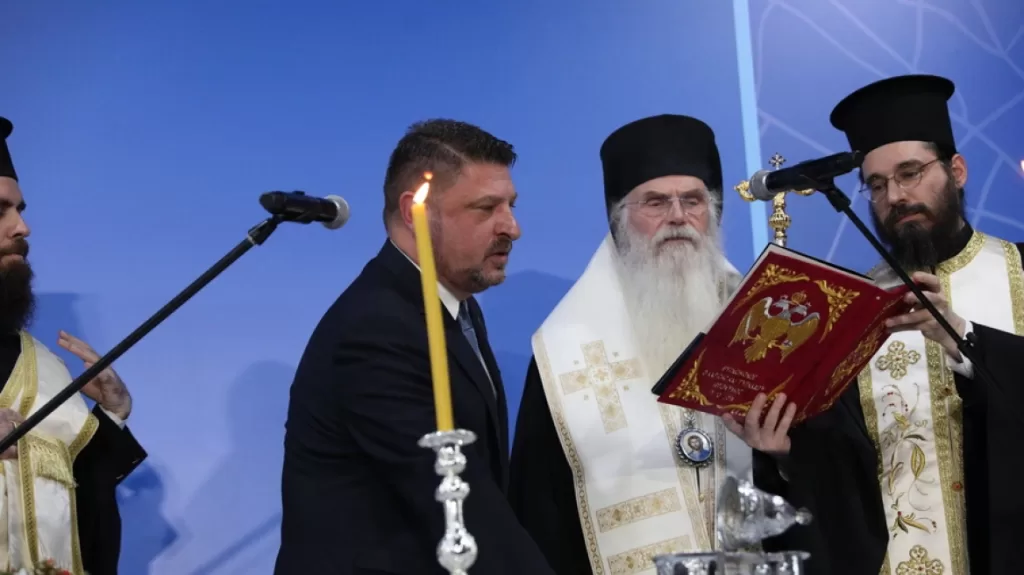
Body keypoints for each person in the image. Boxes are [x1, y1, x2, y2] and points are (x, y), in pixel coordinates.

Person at [740, 74, 1024, 574]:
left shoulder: (1019, 271)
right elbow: (842, 479)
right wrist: (786, 455)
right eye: (876, 184)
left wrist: (964, 340)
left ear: (956, 171)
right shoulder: (851, 311)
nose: (895, 195)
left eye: (910, 173)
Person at [509, 114, 795, 574]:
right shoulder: (563, 351)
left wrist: (784, 458)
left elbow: (815, 492)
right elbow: (542, 513)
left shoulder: (761, 327)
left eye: (693, 200)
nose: (678, 217)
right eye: (656, 202)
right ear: (619, 219)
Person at [275, 119, 556, 574]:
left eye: (511, 205)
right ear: (415, 212)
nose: (512, 227)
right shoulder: (375, 331)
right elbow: (460, 506)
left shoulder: (454, 304)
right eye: (486, 208)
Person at [0, 117, 147, 575]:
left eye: (19, 210)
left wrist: (112, 416)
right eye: (1, 211)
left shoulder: (40, 365)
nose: (22, 228)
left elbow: (81, 499)